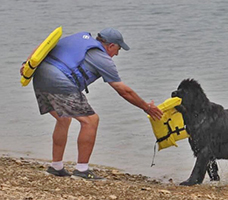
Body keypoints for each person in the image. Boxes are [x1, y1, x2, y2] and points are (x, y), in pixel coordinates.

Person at [20, 28, 163, 180]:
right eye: (118, 49)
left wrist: (27, 63)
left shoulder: (77, 38)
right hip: (59, 81)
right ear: (111, 46)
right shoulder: (102, 59)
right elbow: (123, 90)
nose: (117, 54)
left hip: (40, 77)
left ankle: (56, 167)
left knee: (63, 118)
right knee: (90, 121)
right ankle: (82, 170)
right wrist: (145, 107)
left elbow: (44, 46)